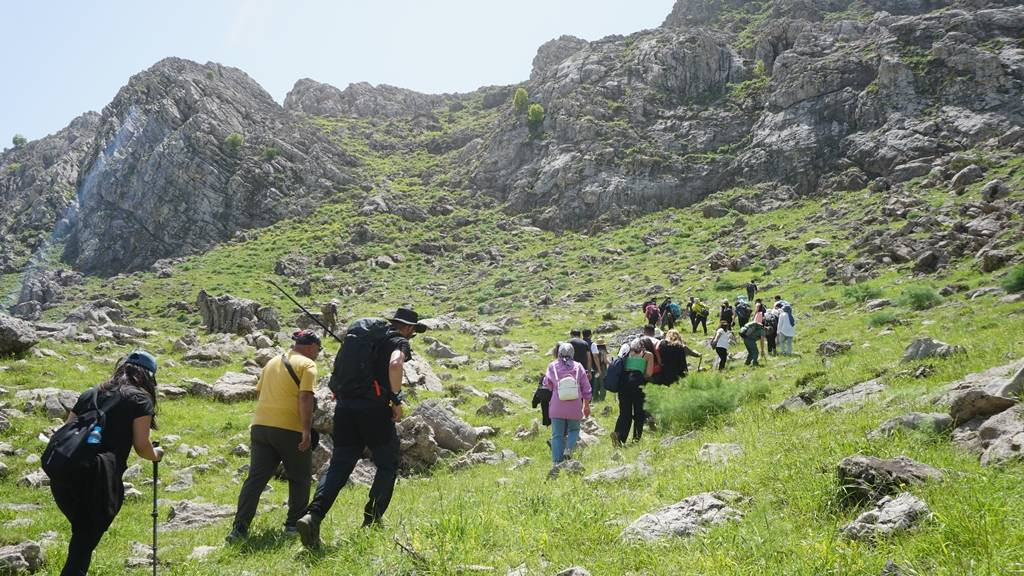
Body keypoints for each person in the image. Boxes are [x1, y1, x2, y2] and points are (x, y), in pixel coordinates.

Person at [296, 307, 428, 549]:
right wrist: (396, 399)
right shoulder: (397, 340)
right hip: (374, 411)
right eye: (412, 332)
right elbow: (396, 364)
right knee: (387, 463)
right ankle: (372, 520)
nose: (411, 336)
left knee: (340, 463)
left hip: (345, 407)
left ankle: (313, 515)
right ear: (408, 328)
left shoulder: (367, 339)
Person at [51, 351, 163, 576]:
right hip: (99, 478)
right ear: (149, 377)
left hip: (64, 474)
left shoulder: (91, 393)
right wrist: (157, 454)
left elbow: (65, 431)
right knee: (84, 540)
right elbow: (142, 446)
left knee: (82, 537)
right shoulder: (140, 399)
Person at [227, 330, 320, 542]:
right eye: (318, 349)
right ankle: (292, 526)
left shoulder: (271, 362)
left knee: (256, 479)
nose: (318, 353)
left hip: (260, 426)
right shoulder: (308, 365)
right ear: (310, 347)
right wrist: (305, 430)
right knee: (300, 478)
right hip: (289, 428)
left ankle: (239, 529)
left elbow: (260, 392)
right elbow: (305, 397)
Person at [542, 343, 592, 463]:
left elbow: (546, 384)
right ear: (572, 353)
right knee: (574, 430)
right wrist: (586, 404)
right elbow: (587, 388)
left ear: (559, 353)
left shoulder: (552, 366)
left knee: (556, 435)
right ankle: (568, 449)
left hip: (557, 405)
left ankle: (556, 462)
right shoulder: (578, 367)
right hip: (574, 406)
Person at [612, 339, 654, 445]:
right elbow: (649, 374)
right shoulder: (648, 355)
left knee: (624, 413)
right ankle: (636, 439)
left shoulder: (625, 353)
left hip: (623, 384)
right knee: (639, 413)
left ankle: (619, 435)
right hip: (638, 384)